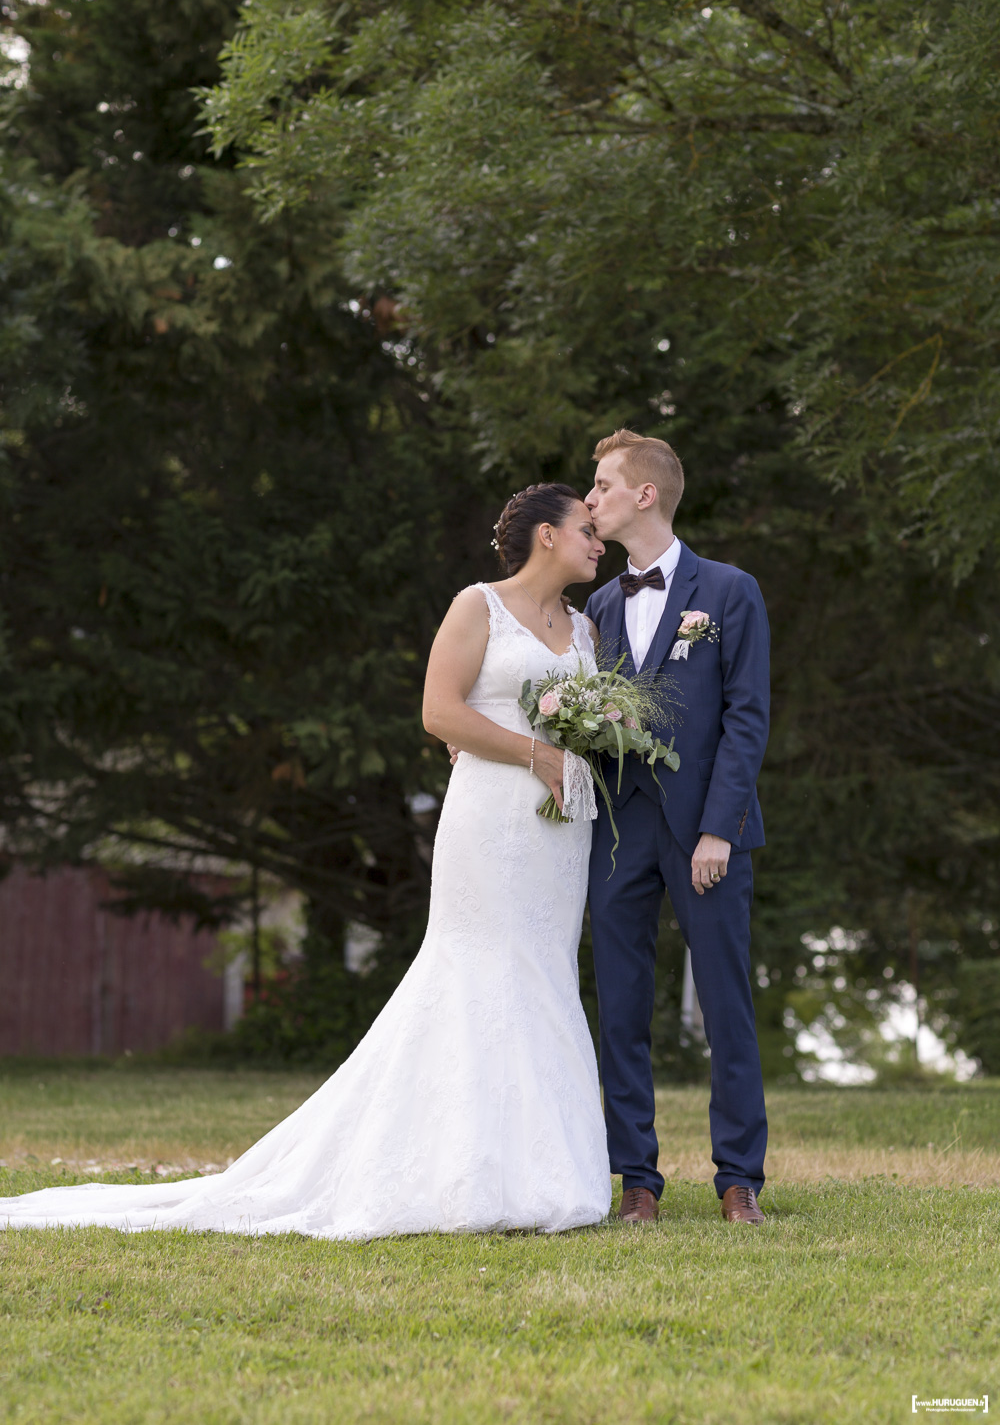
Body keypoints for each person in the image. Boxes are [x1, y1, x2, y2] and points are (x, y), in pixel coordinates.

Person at [0, 484, 611, 1239]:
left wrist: (585, 747)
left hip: (560, 829)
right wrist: (534, 753)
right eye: (586, 529)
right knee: (479, 967)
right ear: (546, 535)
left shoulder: (586, 629)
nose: (599, 541)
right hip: (491, 818)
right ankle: (462, 1170)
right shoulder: (478, 605)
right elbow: (440, 712)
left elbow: (589, 722)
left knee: (544, 970)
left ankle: (542, 1169)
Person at [583, 429, 770, 1226]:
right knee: (621, 1008)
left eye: (601, 485)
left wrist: (719, 829)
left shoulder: (729, 591)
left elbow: (747, 717)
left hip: (706, 834)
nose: (589, 499)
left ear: (645, 493)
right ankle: (637, 1180)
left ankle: (739, 1178)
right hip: (617, 836)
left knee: (726, 1004)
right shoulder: (597, 607)